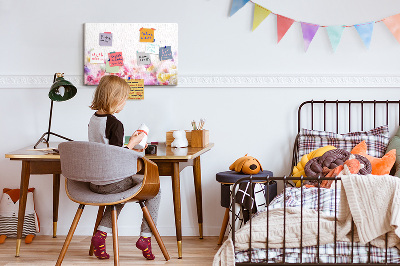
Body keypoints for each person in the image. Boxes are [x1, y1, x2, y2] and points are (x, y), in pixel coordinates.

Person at [88, 75, 161, 260]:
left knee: (119, 194)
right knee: (154, 189)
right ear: (115, 99)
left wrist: (130, 145)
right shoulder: (115, 124)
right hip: (111, 182)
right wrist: (134, 143)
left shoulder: (93, 120)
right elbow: (117, 156)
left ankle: (101, 235)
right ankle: (146, 237)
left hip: (94, 182)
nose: (124, 103)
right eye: (124, 99)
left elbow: (106, 149)